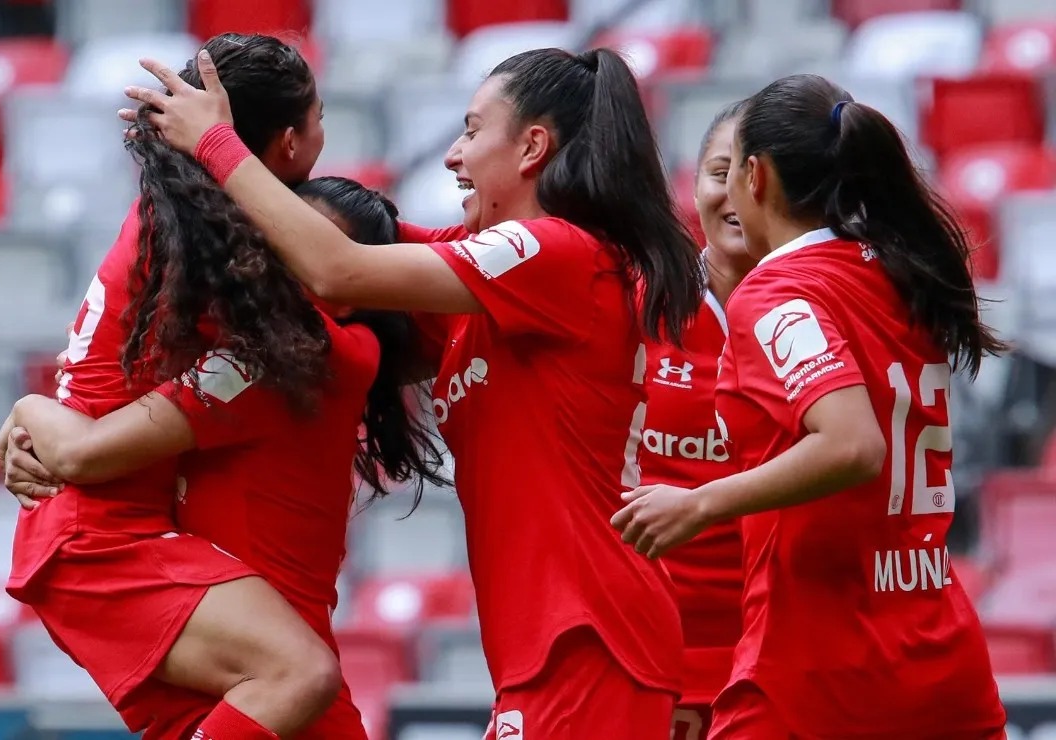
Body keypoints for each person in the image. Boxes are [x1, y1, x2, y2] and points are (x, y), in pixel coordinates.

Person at [121, 46, 704, 737]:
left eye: (471, 130)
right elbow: (343, 238)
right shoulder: (500, 275)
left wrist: (216, 143)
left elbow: (339, 268)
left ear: (532, 149)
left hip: (588, 638)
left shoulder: (555, 254)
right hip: (557, 647)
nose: (453, 156)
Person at [612, 74, 1008, 739]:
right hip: (943, 662)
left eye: (731, 168)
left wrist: (699, 503)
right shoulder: (899, 272)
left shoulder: (777, 294)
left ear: (756, 176)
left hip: (820, 673)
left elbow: (852, 445)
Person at [0, 34, 359, 740]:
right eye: (319, 119)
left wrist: (28, 414)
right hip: (100, 537)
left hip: (100, 522)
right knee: (298, 674)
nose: (325, 135)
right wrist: (31, 411)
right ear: (286, 144)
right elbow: (341, 276)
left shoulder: (183, 216)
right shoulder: (218, 242)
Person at [0, 176, 445, 740]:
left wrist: (27, 410)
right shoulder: (294, 345)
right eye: (277, 238)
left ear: (350, 277)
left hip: (262, 660)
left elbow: (82, 452)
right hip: (238, 644)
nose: (280, 256)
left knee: (301, 674)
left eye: (308, 245)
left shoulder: (301, 355)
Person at [634, 101, 754, 740]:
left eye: (755, 175)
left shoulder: (824, 313)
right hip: (644, 649)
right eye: (719, 172)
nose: (735, 193)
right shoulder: (637, 300)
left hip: (773, 654)